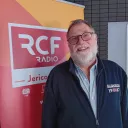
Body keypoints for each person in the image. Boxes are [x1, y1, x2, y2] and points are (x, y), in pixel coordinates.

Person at [42, 19, 128, 128]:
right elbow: (48, 120)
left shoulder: (116, 71)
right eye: (74, 38)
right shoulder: (57, 75)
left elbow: (125, 114)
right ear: (69, 45)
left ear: (95, 38)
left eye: (86, 35)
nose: (81, 42)